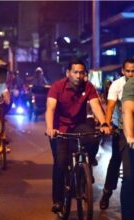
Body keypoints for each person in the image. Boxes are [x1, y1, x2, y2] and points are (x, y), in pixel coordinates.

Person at [45, 59, 111, 214]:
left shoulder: (88, 87)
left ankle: (87, 165)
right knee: (60, 164)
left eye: (82, 72)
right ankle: (58, 201)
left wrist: (103, 124)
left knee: (94, 137)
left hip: (78, 125)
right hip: (59, 128)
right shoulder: (57, 87)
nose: (78, 75)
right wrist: (49, 128)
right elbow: (50, 108)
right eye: (75, 72)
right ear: (68, 73)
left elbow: (95, 105)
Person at [99, 58, 134, 210]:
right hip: (120, 129)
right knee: (116, 161)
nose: (131, 74)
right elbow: (111, 106)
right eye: (128, 71)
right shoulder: (117, 85)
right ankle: (107, 192)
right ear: (122, 71)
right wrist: (106, 123)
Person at [120, 76, 134, 220]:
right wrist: (130, 137)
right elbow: (127, 110)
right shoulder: (132, 84)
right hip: (131, 133)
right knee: (130, 178)